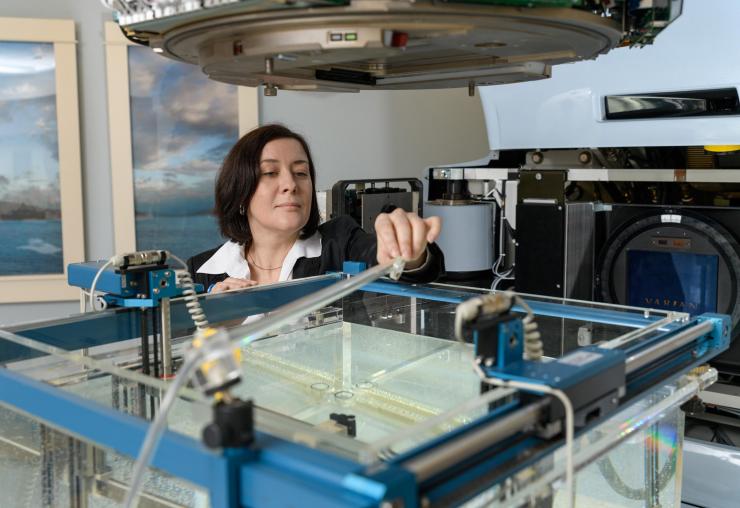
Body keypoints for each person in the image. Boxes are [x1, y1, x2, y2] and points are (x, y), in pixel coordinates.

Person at [187, 124, 444, 292]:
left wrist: (407, 250)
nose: (290, 184)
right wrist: (213, 322)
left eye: (301, 172)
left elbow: (392, 260)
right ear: (240, 192)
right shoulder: (200, 271)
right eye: (270, 172)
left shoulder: (341, 243)